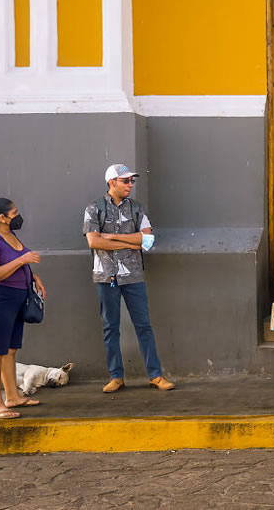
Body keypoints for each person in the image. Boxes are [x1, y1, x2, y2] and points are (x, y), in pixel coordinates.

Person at [83, 164, 175, 393]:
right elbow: (94, 242)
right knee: (110, 327)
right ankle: (116, 376)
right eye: (126, 181)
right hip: (105, 276)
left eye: (131, 181)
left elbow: (148, 241)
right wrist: (130, 241)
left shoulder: (136, 208)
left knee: (143, 325)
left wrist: (114, 237)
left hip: (133, 276)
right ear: (111, 182)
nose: (130, 185)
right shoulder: (94, 208)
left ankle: (155, 375)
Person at [0, 197, 46, 419]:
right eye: (14, 213)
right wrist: (22, 260)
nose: (18, 216)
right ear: (2, 218)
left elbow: (15, 261)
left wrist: (33, 276)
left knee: (10, 351)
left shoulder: (10, 235)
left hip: (18, 298)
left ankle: (13, 397)